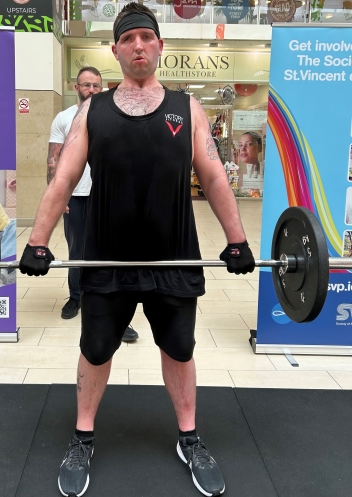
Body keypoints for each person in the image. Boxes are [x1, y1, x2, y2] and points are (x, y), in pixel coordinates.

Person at [19, 3, 255, 496]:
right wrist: (38, 241)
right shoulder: (93, 110)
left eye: (147, 36)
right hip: (107, 258)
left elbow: (212, 174)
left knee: (180, 348)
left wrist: (237, 239)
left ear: (161, 46)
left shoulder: (186, 106)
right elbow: (63, 178)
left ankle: (189, 437)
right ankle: (83, 435)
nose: (139, 45)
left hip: (173, 256)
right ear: (116, 50)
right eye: (129, 39)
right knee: (96, 347)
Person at [48, 66, 139, 342]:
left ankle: (116, 314)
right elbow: (53, 160)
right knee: (77, 251)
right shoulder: (63, 119)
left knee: (112, 253)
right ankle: (76, 298)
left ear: (102, 88)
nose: (91, 90)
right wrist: (57, 196)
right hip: (74, 197)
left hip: (108, 197)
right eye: (86, 85)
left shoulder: (113, 116)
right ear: (77, 88)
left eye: (96, 86)